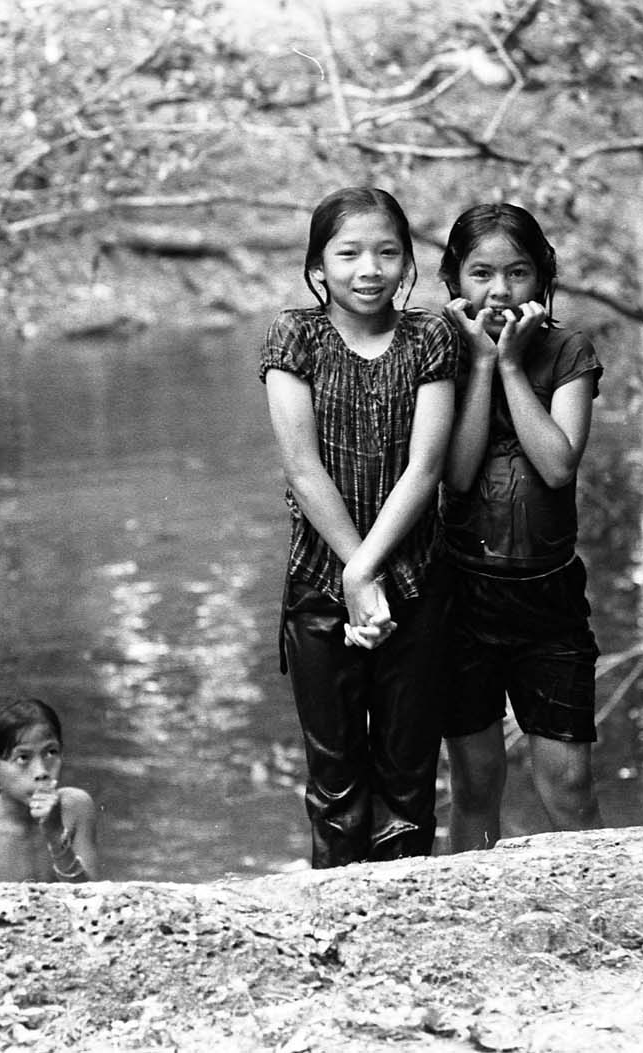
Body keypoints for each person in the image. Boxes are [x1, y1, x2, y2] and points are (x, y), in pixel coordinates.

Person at [259, 186, 458, 867]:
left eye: (386, 253)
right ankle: (336, 912)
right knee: (336, 785)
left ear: (406, 263)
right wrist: (352, 571)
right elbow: (301, 467)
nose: (368, 269)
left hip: (417, 581)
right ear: (319, 266)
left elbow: (426, 467)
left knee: (409, 779)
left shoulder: (429, 336)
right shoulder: (296, 335)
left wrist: (366, 570)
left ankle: (411, 910)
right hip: (320, 586)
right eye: (348, 254)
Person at [437, 202, 605, 851]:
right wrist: (481, 364)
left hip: (549, 599)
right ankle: (470, 900)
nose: (500, 291)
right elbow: (456, 473)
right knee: (476, 781)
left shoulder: (568, 351)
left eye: (517, 273)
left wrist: (510, 365)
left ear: (543, 277)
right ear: (454, 279)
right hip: (464, 596)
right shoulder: (444, 354)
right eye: (481, 274)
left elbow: (558, 464)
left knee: (569, 784)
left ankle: (597, 894)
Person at [0, 697, 100, 884]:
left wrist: (57, 837)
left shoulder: (76, 808)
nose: (41, 772)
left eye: (51, 752)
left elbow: (91, 897)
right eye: (23, 758)